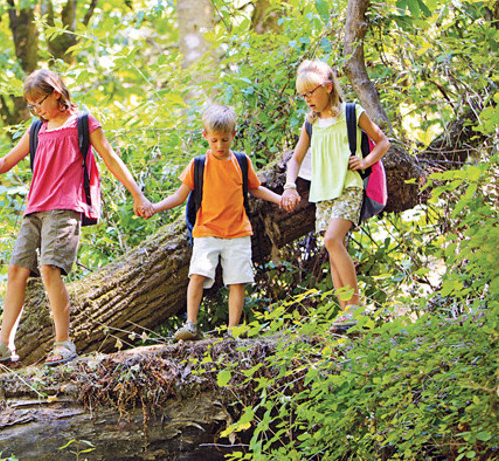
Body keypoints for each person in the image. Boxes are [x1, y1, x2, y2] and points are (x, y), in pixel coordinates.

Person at [0, 69, 153, 367]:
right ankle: (4, 345)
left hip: (66, 205)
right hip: (35, 208)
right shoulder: (37, 129)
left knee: (49, 268)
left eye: (39, 101)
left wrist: (138, 194)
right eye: (31, 105)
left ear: (57, 92)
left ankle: (64, 343)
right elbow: (6, 161)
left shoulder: (83, 123)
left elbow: (110, 158)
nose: (37, 109)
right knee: (16, 270)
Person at [148, 103, 281, 340]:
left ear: (234, 135)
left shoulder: (241, 162)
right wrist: (154, 207)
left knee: (237, 281)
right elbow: (180, 197)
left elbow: (256, 188)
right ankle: (191, 324)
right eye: (215, 140)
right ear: (205, 136)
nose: (220, 146)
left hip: (238, 232)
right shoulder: (199, 165)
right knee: (197, 275)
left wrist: (280, 199)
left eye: (225, 140)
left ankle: (233, 330)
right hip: (206, 231)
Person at [280, 60, 389, 332]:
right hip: (323, 193)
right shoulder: (311, 124)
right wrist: (289, 185)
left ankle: (355, 309)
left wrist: (365, 162)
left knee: (332, 239)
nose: (307, 100)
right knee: (331, 247)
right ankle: (346, 315)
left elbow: (383, 141)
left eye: (311, 93)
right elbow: (295, 159)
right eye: (302, 95)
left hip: (349, 186)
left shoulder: (352, 113)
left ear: (328, 87)